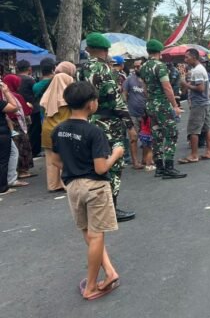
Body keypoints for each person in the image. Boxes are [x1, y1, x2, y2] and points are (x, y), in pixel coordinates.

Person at [49, 81, 123, 300]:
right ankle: (91, 286)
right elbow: (101, 167)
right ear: (91, 104)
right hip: (95, 186)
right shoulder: (94, 131)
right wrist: (116, 154)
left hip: (73, 186)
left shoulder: (59, 130)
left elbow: (55, 160)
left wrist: (73, 168)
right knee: (97, 234)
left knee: (88, 232)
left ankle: (109, 272)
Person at [78, 33, 136, 222]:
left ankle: (96, 207)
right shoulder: (104, 68)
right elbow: (115, 100)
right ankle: (111, 209)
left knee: (94, 164)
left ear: (89, 50)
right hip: (108, 122)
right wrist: (130, 126)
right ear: (105, 50)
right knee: (113, 164)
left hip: (88, 120)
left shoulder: (81, 69)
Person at [139, 39, 186, 180]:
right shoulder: (160, 66)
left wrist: (151, 100)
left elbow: (144, 88)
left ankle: (159, 167)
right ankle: (169, 167)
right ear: (160, 52)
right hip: (162, 105)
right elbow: (167, 87)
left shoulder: (143, 67)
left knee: (157, 135)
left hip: (150, 104)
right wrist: (175, 106)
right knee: (171, 134)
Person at [39, 62, 75, 192]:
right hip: (64, 131)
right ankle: (66, 183)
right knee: (66, 157)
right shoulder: (70, 98)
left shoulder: (48, 95)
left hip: (47, 130)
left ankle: (53, 185)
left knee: (50, 159)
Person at [180, 48, 210, 163]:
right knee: (206, 128)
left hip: (199, 104)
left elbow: (200, 88)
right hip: (204, 103)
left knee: (193, 130)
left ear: (194, 57)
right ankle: (209, 152)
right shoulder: (197, 69)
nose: (185, 60)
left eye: (187, 57)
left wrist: (185, 83)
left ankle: (194, 155)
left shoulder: (198, 70)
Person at [4, 74, 35, 179]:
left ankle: (12, 172)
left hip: (7, 125)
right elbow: (25, 111)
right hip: (18, 124)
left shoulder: (2, 96)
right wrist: (30, 106)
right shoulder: (15, 96)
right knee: (22, 147)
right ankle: (22, 171)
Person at [122, 59, 149, 170]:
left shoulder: (148, 79)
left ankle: (145, 159)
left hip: (146, 114)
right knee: (133, 138)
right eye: (135, 66)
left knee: (146, 138)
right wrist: (125, 108)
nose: (137, 68)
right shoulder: (129, 80)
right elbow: (124, 94)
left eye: (139, 66)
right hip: (132, 113)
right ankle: (135, 162)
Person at [16, 60, 42, 157]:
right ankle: (35, 151)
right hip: (33, 108)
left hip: (20, 109)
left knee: (25, 131)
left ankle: (26, 151)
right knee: (35, 131)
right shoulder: (29, 79)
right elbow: (37, 91)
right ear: (29, 69)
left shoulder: (16, 78)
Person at [0, 81, 18, 195]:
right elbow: (14, 107)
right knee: (3, 160)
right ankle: (2, 187)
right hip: (2, 133)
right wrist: (6, 92)